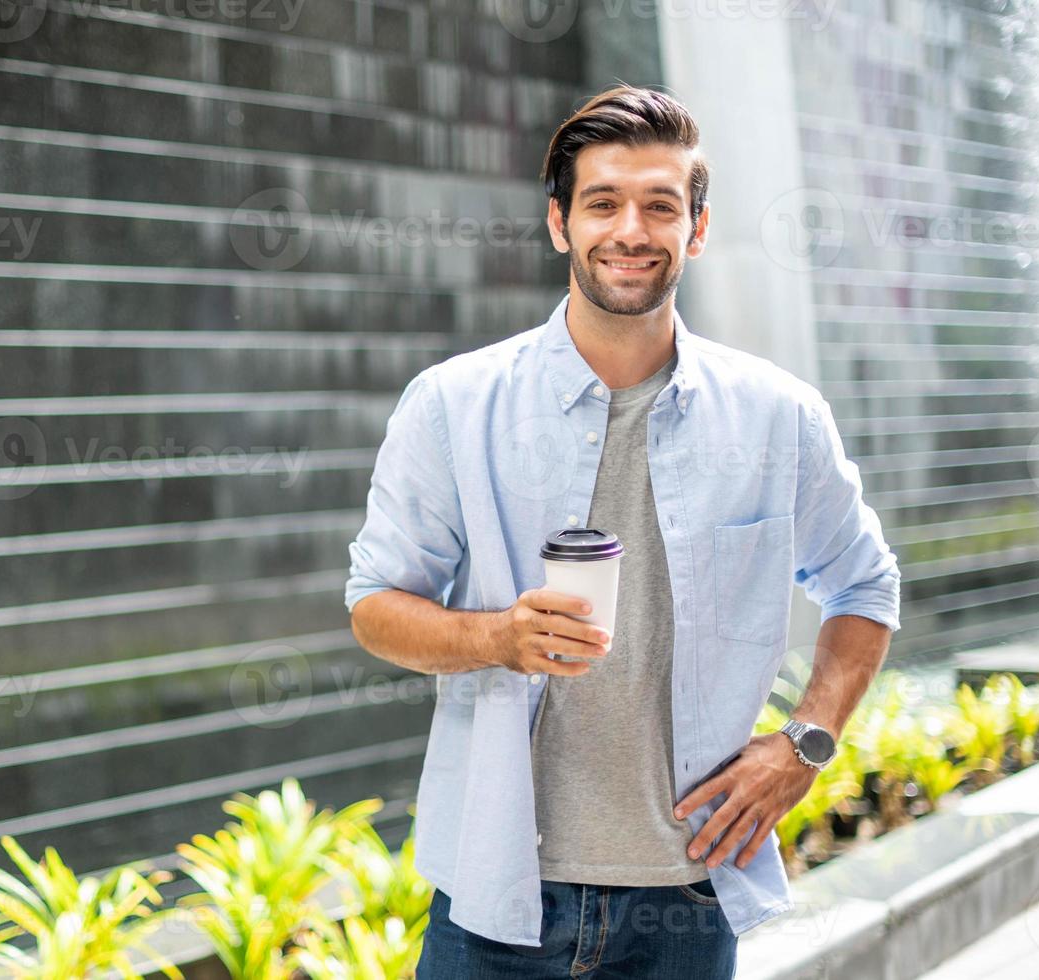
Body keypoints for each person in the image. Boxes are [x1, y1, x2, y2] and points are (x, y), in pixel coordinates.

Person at [343, 85, 901, 978]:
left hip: (686, 895)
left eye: (660, 205)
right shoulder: (453, 405)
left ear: (697, 228)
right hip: (496, 898)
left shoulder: (777, 416)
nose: (631, 230)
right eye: (602, 203)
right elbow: (374, 606)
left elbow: (864, 586)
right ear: (560, 223)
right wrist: (495, 636)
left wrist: (803, 745)